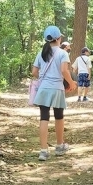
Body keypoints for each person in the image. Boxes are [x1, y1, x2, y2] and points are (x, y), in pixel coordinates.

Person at [32, 25, 76, 161]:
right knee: (59, 116)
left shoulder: (41, 53)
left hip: (44, 89)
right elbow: (64, 71)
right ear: (58, 38)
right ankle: (59, 146)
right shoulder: (63, 53)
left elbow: (34, 72)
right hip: (57, 88)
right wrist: (72, 82)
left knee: (44, 117)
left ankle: (43, 151)